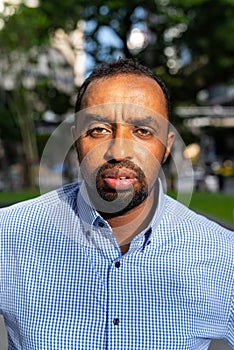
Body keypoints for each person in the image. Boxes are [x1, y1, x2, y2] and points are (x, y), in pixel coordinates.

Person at [0, 58, 233, 350]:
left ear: (167, 147)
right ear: (76, 140)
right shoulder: (8, 235)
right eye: (99, 130)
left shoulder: (224, 256)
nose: (119, 150)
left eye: (143, 132)